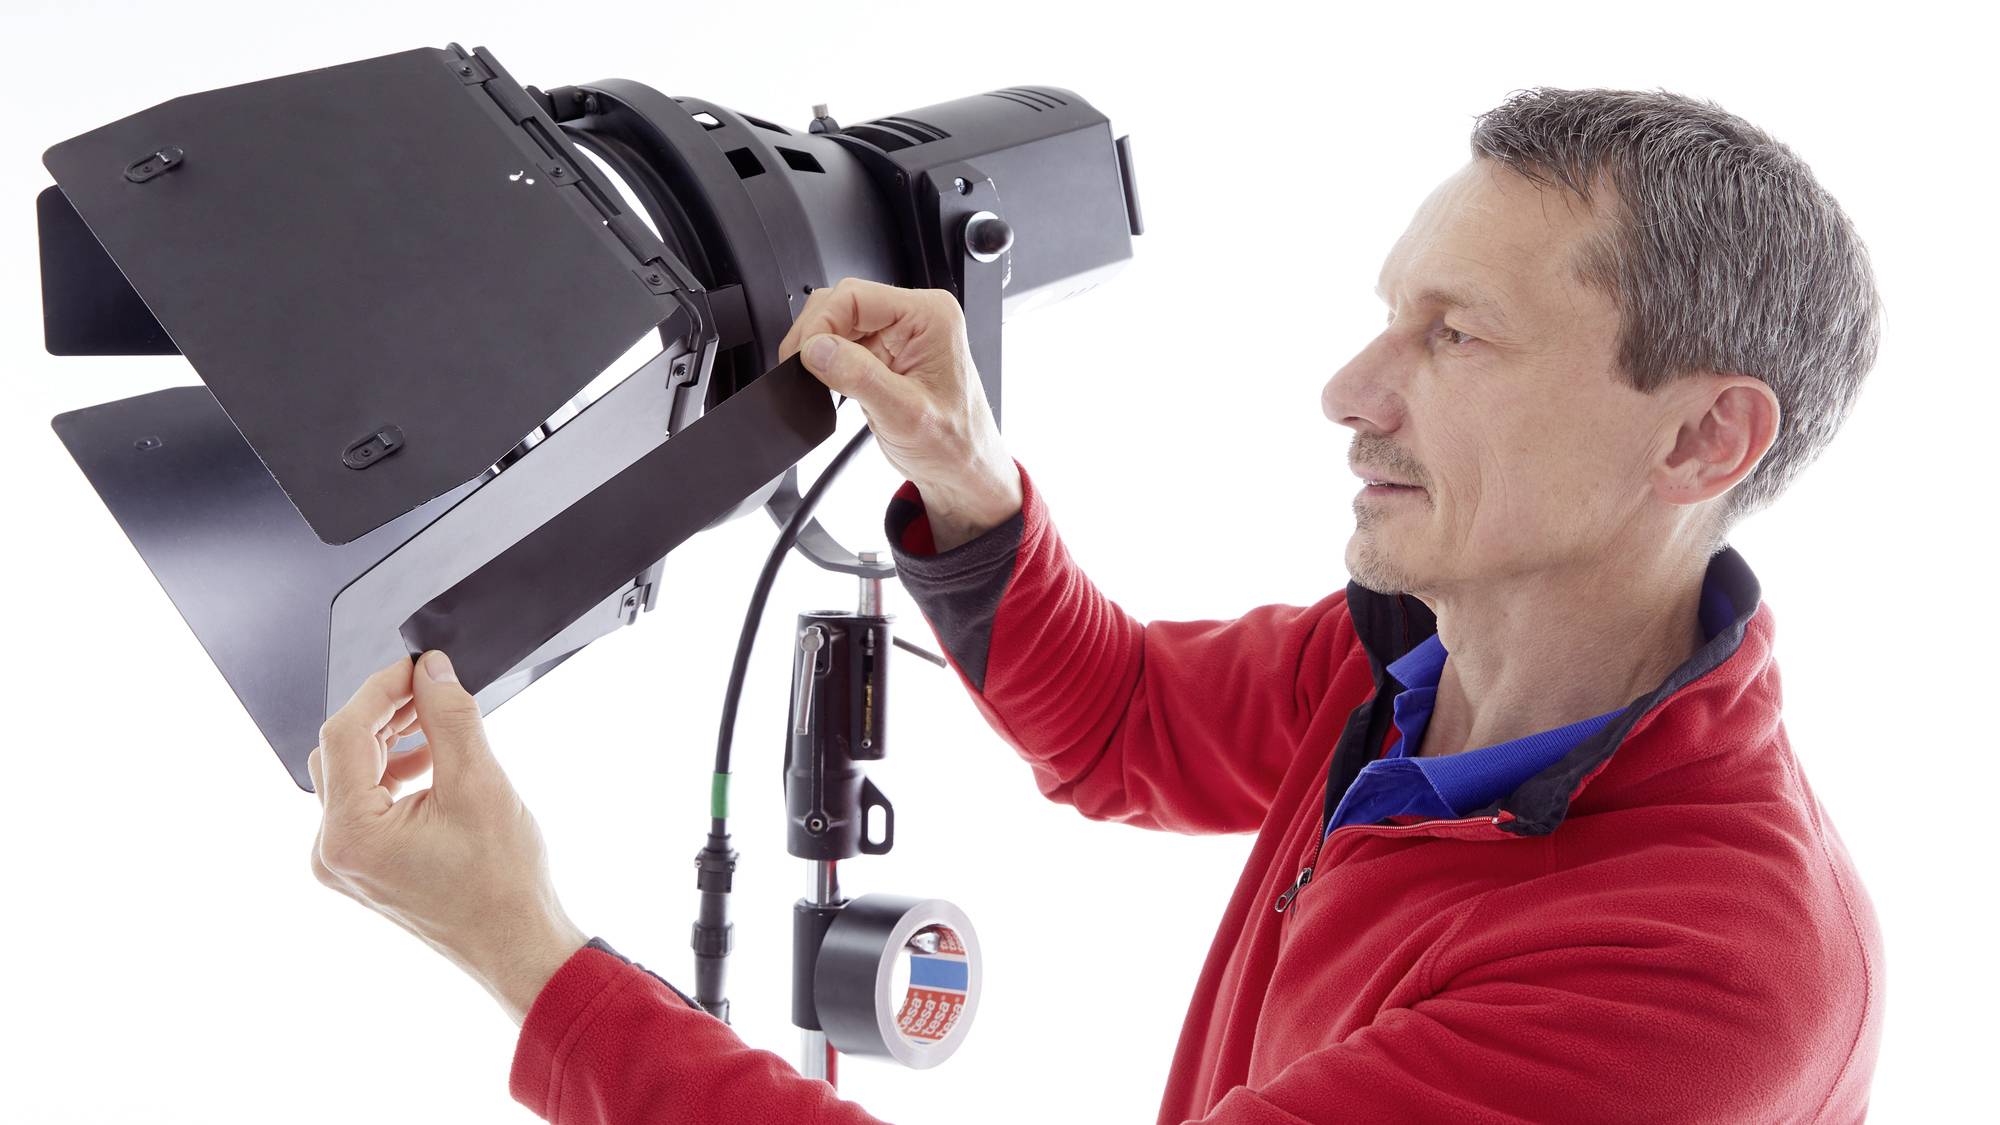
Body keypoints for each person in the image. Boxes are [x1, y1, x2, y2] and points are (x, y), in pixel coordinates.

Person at [307, 87, 1883, 1122]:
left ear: (1702, 438)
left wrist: (522, 948)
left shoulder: (1698, 970)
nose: (1350, 392)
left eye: (1456, 338)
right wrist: (969, 479)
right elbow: (1126, 722)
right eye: (1386, 320)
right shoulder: (1421, 660)